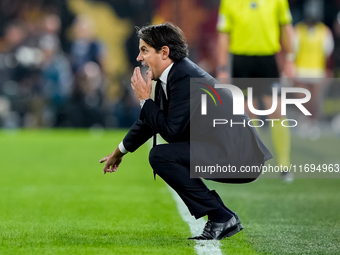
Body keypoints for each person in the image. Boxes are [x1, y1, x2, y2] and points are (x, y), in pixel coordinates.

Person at [99, 23, 272, 240]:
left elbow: (171, 131)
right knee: (162, 155)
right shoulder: (176, 74)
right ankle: (222, 216)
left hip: (240, 158)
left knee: (162, 156)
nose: (138, 58)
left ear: (164, 52)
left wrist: (144, 100)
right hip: (230, 152)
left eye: (144, 50)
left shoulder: (185, 78)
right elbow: (150, 122)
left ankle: (221, 216)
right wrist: (120, 151)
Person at [216, 0, 295, 182]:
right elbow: (224, 34)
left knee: (276, 110)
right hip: (241, 61)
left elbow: (286, 27)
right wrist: (222, 67)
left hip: (267, 60)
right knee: (248, 113)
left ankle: (284, 166)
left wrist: (290, 58)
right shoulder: (228, 2)